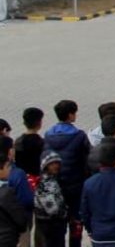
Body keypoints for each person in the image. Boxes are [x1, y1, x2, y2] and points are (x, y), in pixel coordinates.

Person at [44, 101, 91, 247]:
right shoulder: (79, 136)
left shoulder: (48, 135)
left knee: (57, 224)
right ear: (70, 115)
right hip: (75, 186)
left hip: (55, 186)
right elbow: (87, 159)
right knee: (76, 222)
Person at [34, 151, 67, 247]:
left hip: (53, 226)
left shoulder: (53, 180)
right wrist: (65, 212)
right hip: (49, 226)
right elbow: (52, 210)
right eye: (52, 164)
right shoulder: (45, 184)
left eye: (57, 163)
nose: (55, 166)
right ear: (45, 166)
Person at [1, 152, 27, 247]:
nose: (9, 170)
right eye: (8, 167)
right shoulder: (6, 193)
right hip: (6, 239)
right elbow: (21, 220)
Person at [15, 109, 45, 179]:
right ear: (39, 123)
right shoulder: (40, 142)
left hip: (22, 177)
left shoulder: (18, 141)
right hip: (37, 178)